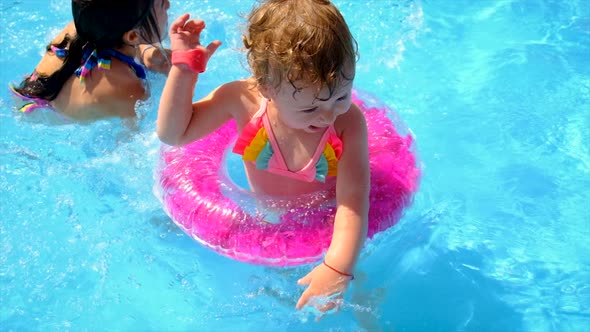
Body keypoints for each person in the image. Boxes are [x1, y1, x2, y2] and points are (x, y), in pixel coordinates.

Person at [157, 0, 369, 314]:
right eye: (311, 107)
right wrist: (184, 70)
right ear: (267, 87)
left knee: (357, 294)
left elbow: (352, 201)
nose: (327, 115)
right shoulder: (241, 100)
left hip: (327, 229)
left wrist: (338, 267)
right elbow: (173, 134)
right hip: (268, 225)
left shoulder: (347, 122)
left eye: (341, 95)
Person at [10, 0, 171, 122]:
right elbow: (134, 138)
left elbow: (128, 44)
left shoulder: (80, 29)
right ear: (133, 36)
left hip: (25, 97)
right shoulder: (129, 87)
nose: (169, 5)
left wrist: (147, 53)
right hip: (41, 122)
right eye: (162, 4)